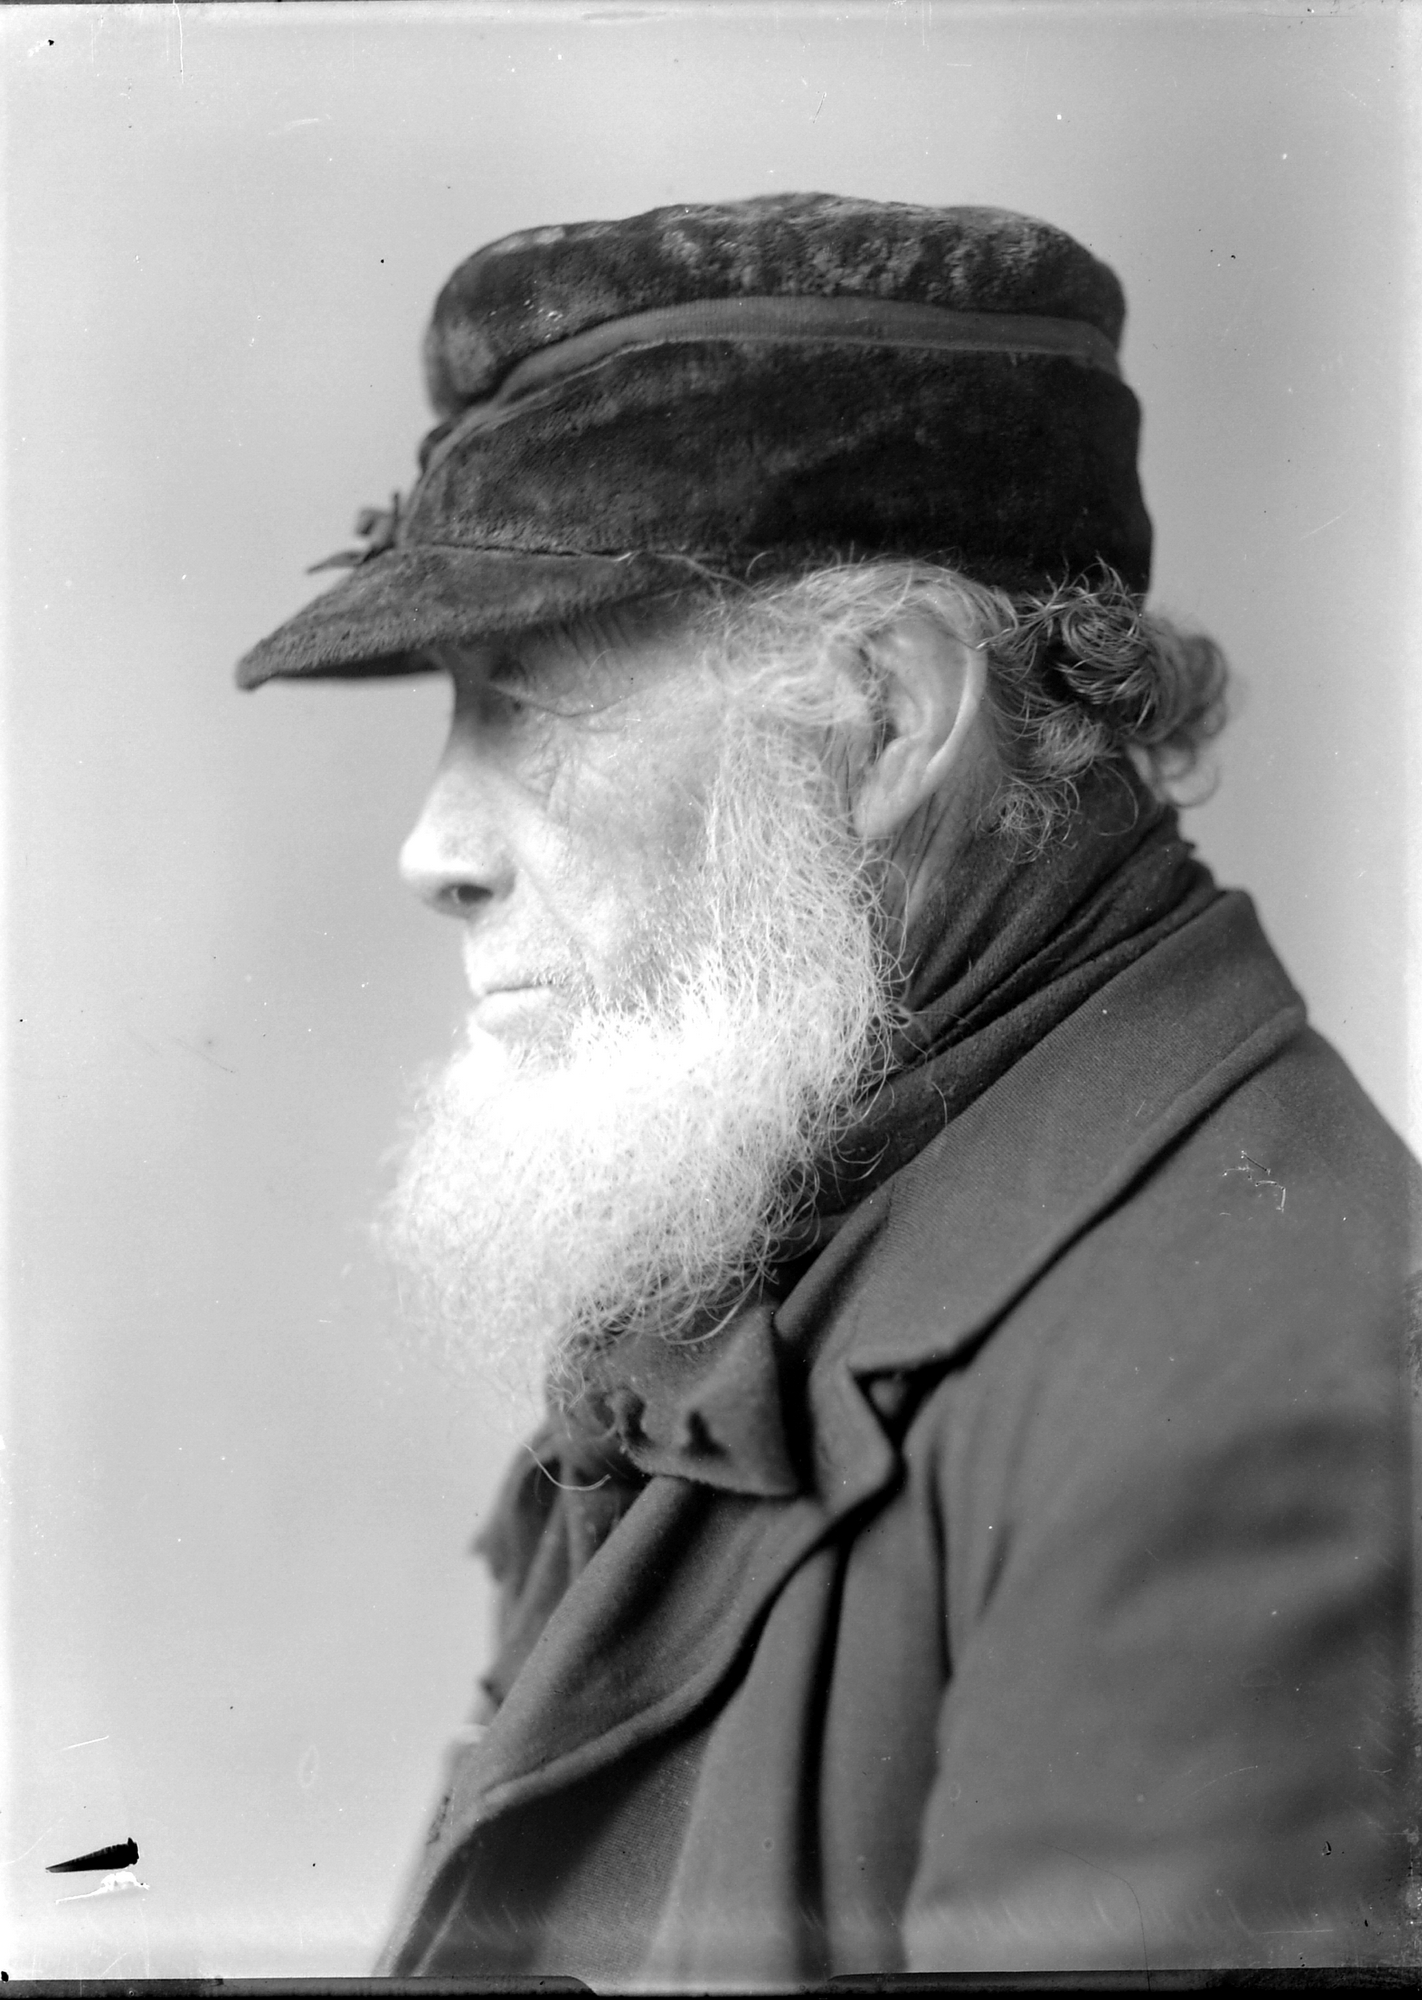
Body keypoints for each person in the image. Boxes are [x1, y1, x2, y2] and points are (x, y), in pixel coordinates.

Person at [236, 195, 1417, 1981]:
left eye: (531, 706)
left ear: (884, 715)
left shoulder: (1255, 1391)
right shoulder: (799, 1213)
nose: (435, 848)